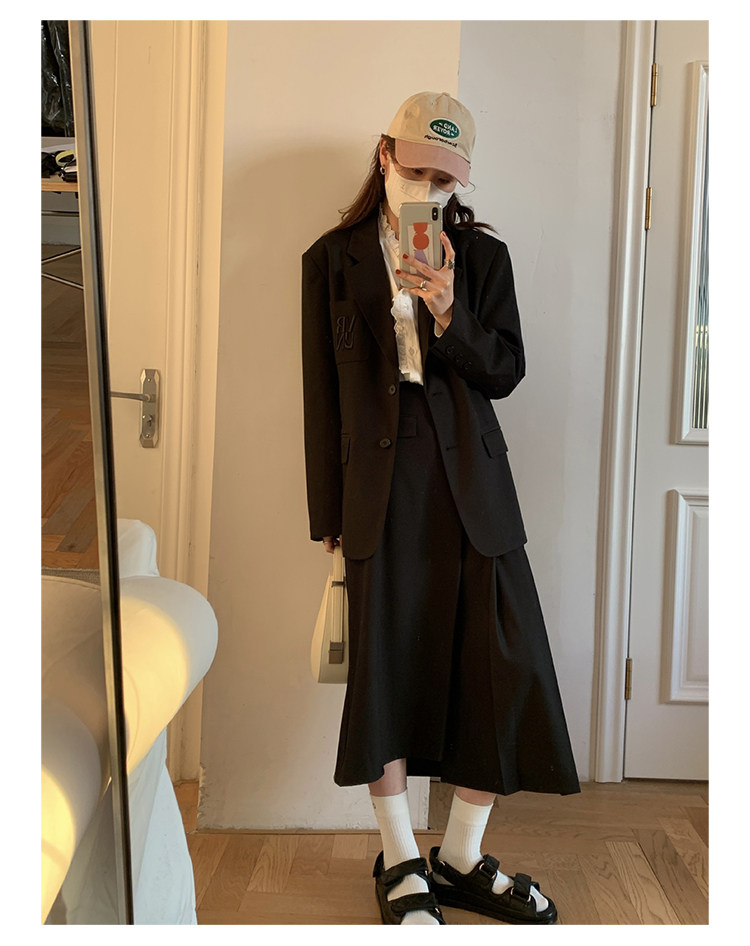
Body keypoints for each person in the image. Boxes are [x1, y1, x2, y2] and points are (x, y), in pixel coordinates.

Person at [301, 91, 580, 926]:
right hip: (380, 489)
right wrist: (328, 516)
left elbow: (506, 372)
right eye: (418, 169)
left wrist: (449, 309)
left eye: (446, 179)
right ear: (385, 154)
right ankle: (400, 860)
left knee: (505, 665)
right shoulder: (331, 260)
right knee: (385, 670)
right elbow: (321, 398)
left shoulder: (483, 258)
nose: (430, 189)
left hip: (472, 485)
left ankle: (458, 855)